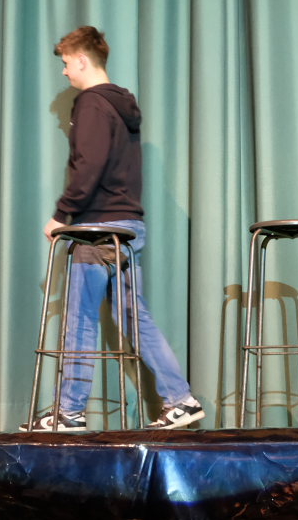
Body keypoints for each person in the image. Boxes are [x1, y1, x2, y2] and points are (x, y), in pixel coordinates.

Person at [21, 26, 205, 432]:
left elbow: (89, 165)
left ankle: (69, 412)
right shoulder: (121, 105)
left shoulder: (91, 104)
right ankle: (182, 400)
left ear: (82, 60)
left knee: (80, 318)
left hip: (98, 227)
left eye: (66, 64)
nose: (64, 72)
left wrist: (62, 214)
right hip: (128, 225)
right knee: (134, 317)